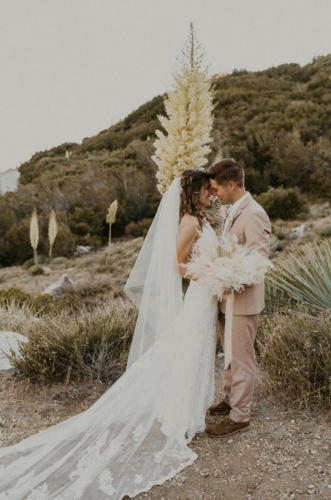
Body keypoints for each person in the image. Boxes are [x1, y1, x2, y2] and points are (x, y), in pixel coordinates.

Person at [0, 170, 219, 500]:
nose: (209, 194)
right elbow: (176, 264)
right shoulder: (189, 221)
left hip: (206, 297)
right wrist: (210, 272)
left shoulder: (201, 218)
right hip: (201, 294)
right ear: (192, 192)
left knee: (194, 353)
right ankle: (179, 418)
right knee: (187, 353)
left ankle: (188, 413)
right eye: (205, 190)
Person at [205, 158, 271, 438]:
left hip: (242, 299)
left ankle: (240, 416)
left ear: (231, 184)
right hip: (227, 297)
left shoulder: (254, 213)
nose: (214, 194)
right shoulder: (233, 210)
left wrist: (230, 276)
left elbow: (259, 260)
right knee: (229, 353)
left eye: (216, 188)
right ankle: (231, 398)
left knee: (242, 357)